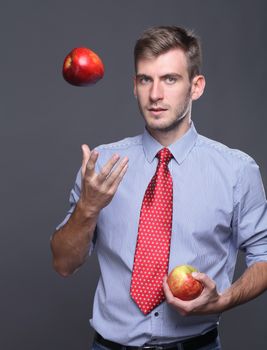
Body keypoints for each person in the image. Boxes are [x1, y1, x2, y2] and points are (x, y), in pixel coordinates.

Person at [50, 26, 267, 350]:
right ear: (134, 87)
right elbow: (63, 264)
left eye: (170, 79)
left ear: (196, 87)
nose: (155, 94)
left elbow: (264, 255)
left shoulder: (237, 171)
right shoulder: (101, 166)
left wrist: (224, 299)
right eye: (144, 80)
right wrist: (88, 207)